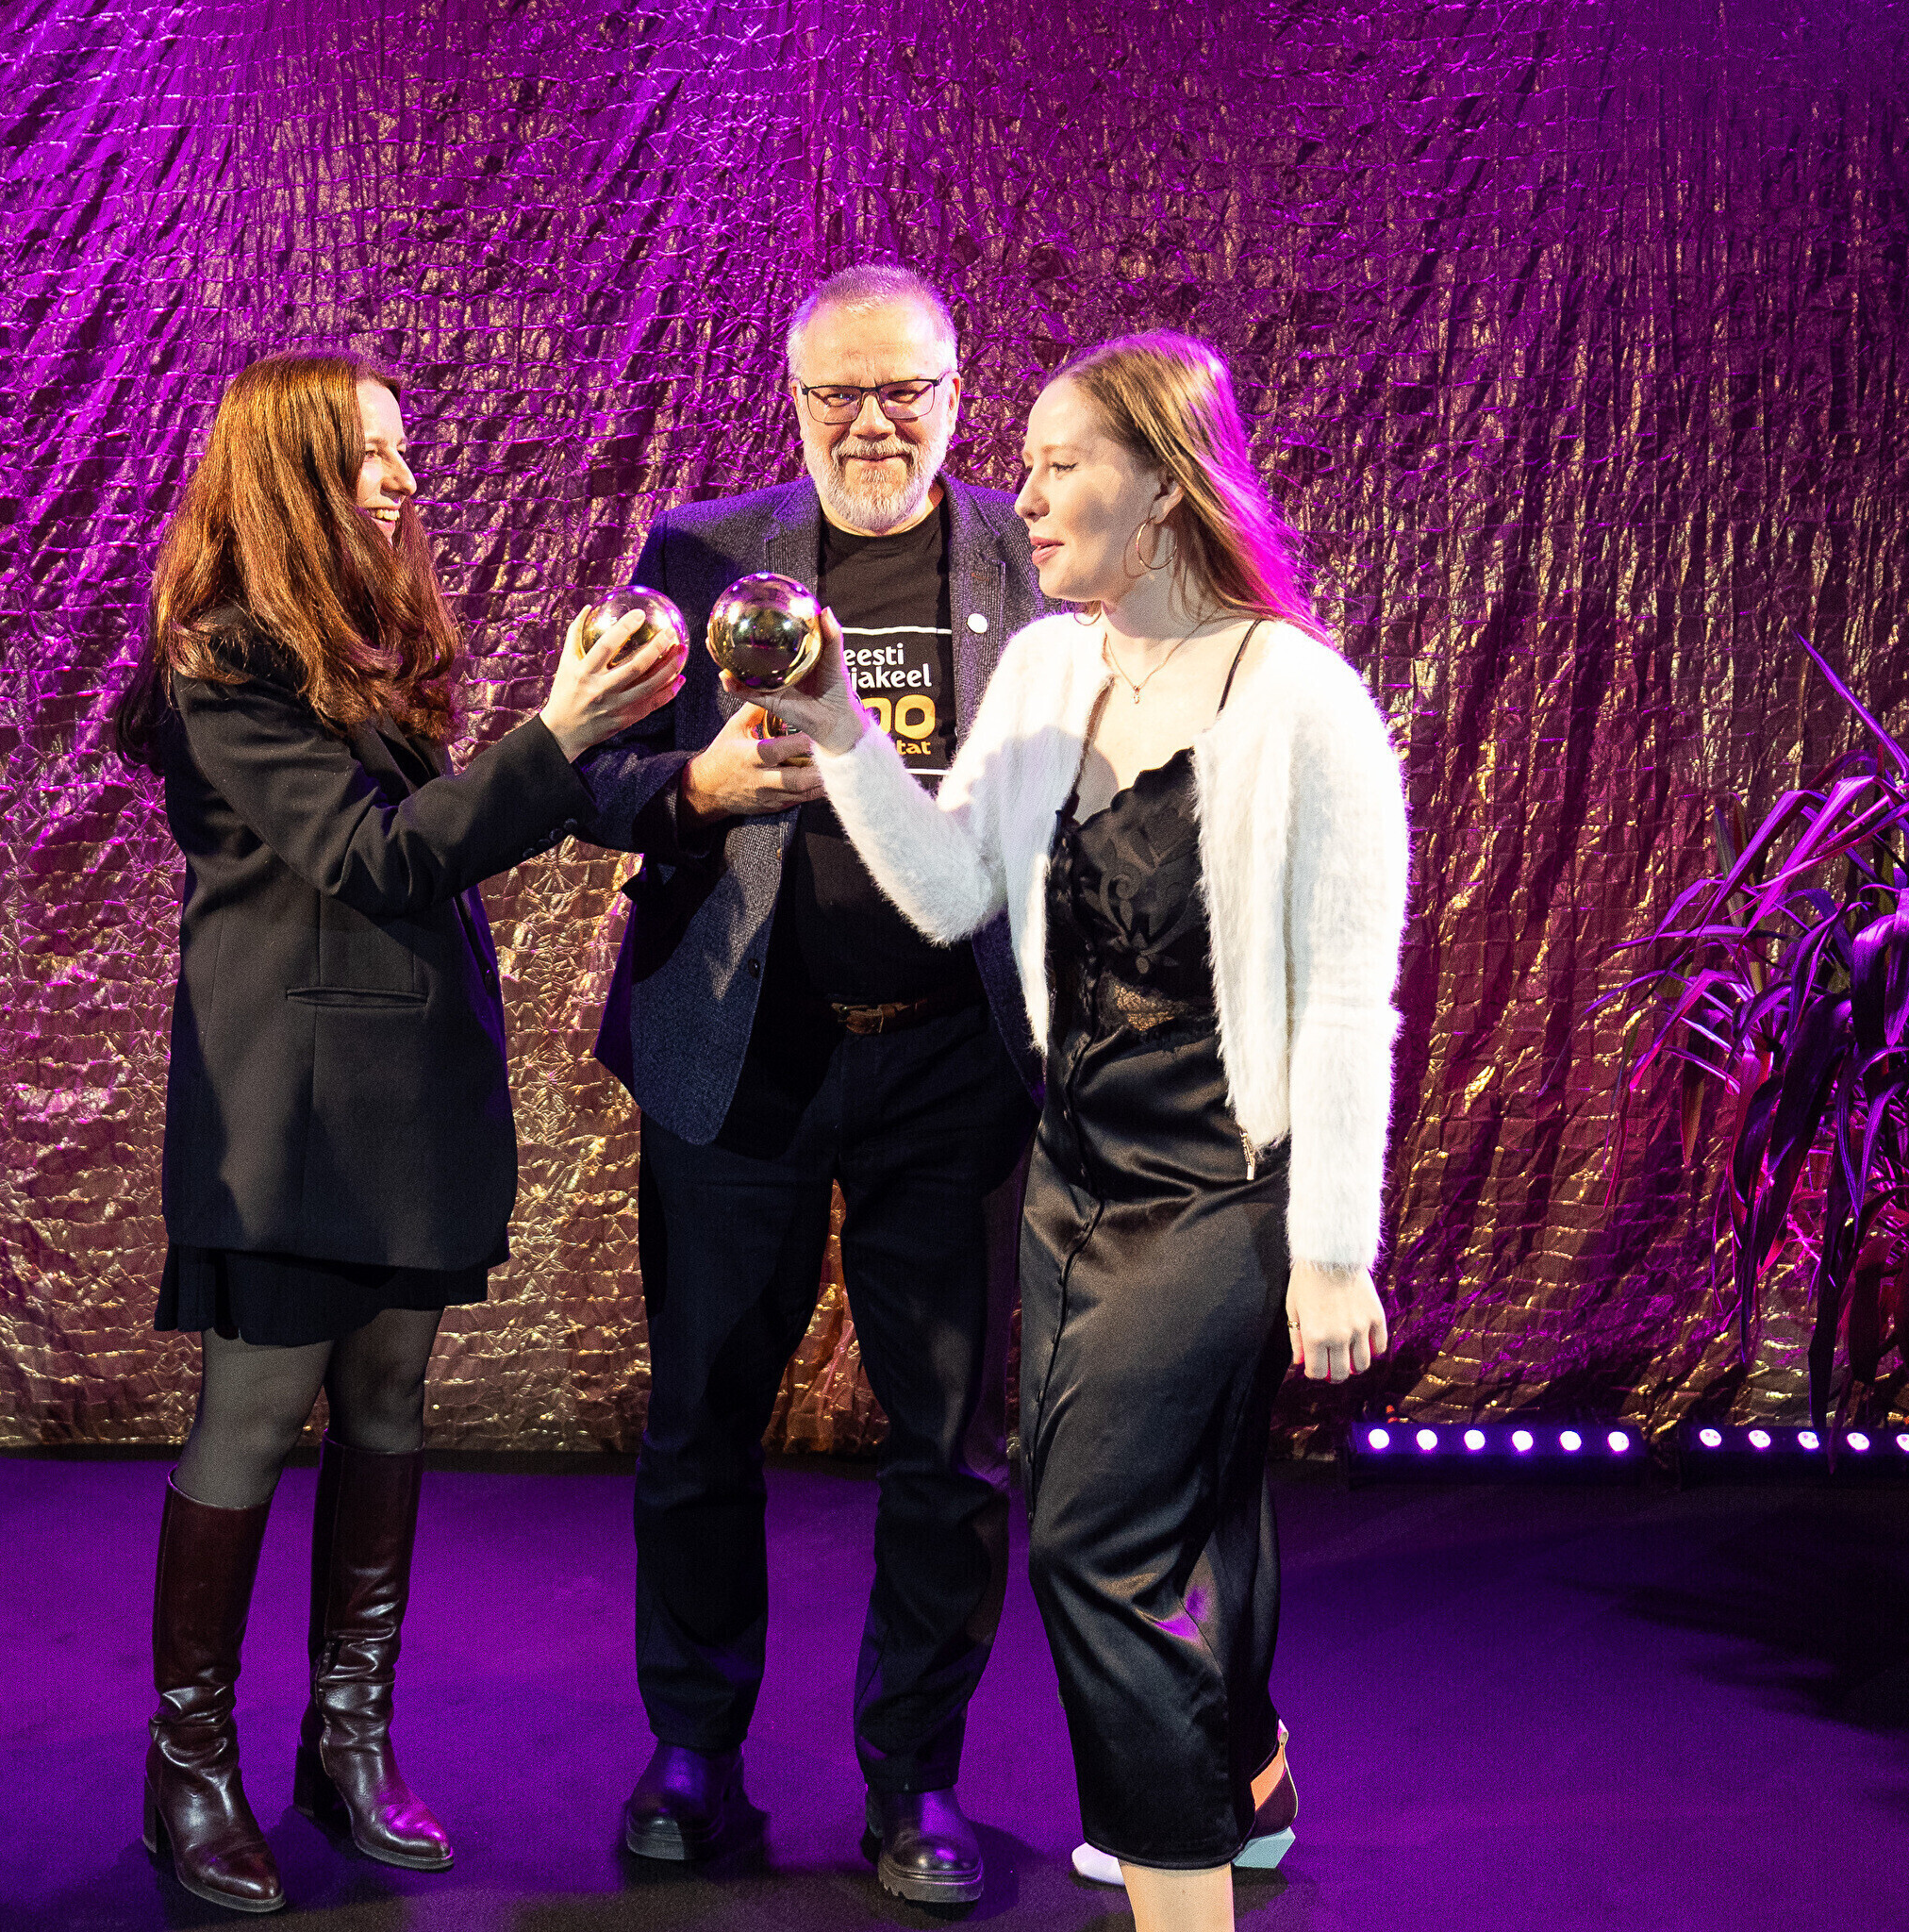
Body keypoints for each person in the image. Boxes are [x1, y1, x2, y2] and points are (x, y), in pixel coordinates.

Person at [752, 330, 1407, 1932]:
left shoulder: (1302, 702)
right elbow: (948, 888)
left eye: (1061, 467)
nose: (1025, 498)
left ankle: (1182, 1887)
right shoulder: (1050, 669)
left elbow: (1345, 998)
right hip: (1073, 1177)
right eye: (1029, 465)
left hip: (1223, 1191)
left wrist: (1332, 1250)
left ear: (1164, 488)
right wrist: (840, 727)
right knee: (1202, 1506)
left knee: (1097, 1548)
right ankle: (1247, 1779)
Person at [109, 351, 683, 1915]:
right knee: (251, 1418)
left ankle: (346, 1740)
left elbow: (435, 836)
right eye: (370, 454)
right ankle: (189, 1767)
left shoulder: (349, 653)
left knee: (387, 1400)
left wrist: (602, 756)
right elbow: (373, 861)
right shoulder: (223, 666)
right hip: (288, 1124)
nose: (404, 479)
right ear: (292, 469)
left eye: (402, 451)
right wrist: (554, 735)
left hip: (406, 1106)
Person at [573, 264, 1050, 1906]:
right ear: (791, 398)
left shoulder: (1026, 560)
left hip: (954, 1062)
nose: (871, 423)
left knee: (950, 1445)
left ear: (958, 392)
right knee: (702, 1420)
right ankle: (691, 1753)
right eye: (838, 393)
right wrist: (699, 789)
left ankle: (915, 1782)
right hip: (744, 1054)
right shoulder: (701, 553)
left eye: (903, 390)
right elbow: (591, 772)